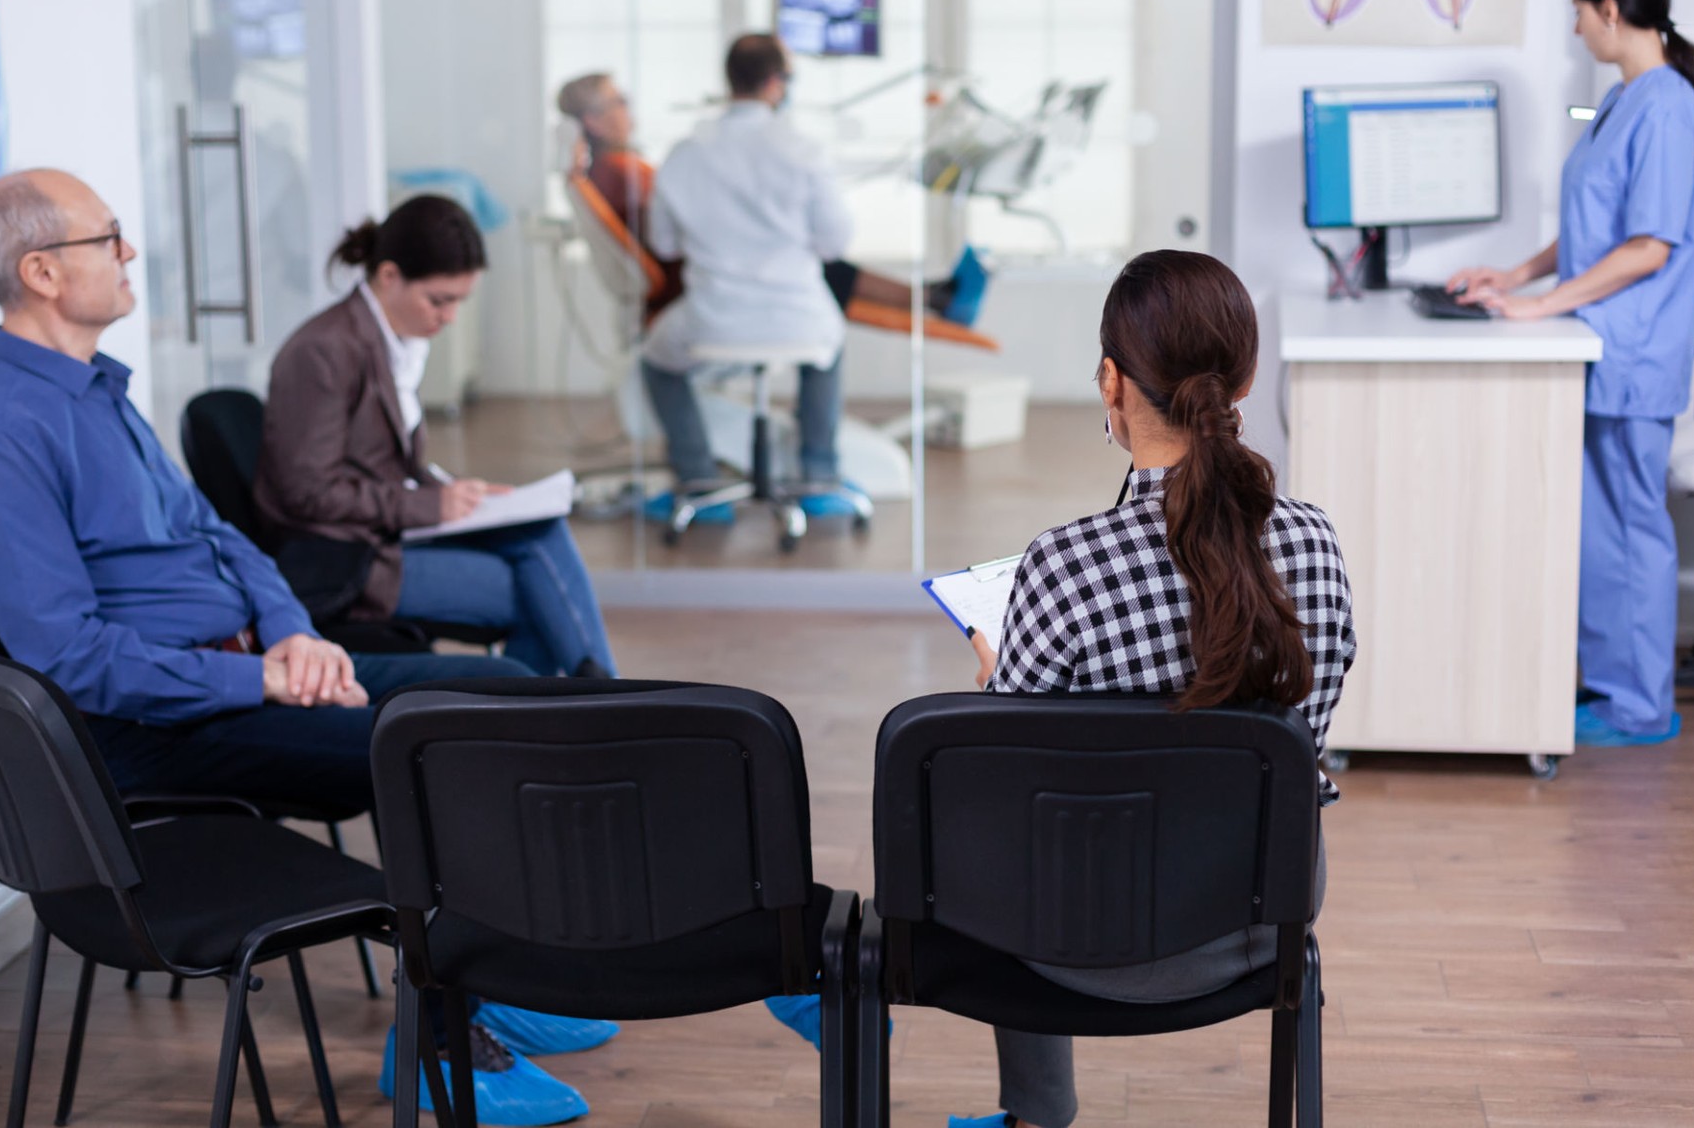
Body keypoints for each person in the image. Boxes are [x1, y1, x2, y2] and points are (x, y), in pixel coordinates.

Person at [0, 169, 608, 1126]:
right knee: (453, 745)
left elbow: (223, 535)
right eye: (107, 239)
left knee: (505, 691)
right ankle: (442, 1041)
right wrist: (261, 676)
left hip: (252, 674)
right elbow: (70, 658)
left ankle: (479, 976)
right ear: (40, 271)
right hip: (159, 725)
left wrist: (293, 632)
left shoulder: (100, 393)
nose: (127, 255)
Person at [955, 251, 1356, 1128]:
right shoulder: (1315, 544)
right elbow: (1306, 734)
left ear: (1111, 382)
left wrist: (997, 682)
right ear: (1245, 378)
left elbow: (1014, 773)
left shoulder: (1063, 566)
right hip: (1256, 921)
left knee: (997, 818)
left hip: (1068, 942)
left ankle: (1037, 1114)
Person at [1448, 0, 1694, 748]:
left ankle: (1640, 706)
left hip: (1633, 352)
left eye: (1577, 11)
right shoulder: (1623, 100)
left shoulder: (1666, 104)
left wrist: (1544, 307)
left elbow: (1648, 247)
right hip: (1604, 346)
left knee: (1630, 528)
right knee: (1601, 528)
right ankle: (1612, 689)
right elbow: (1592, 230)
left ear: (1609, 11)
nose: (1573, 29)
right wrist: (1518, 275)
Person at [255, 194, 617, 678]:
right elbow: (307, 493)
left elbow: (386, 465)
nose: (449, 317)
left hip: (387, 532)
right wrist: (430, 505)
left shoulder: (395, 343)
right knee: (538, 595)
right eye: (439, 300)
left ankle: (567, 716)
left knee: (540, 531)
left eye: (458, 302)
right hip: (344, 557)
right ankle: (586, 710)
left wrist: (456, 497)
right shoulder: (321, 352)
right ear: (389, 277)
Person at [556, 69, 990, 328]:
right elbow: (671, 234)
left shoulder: (611, 170)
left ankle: (934, 296)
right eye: (618, 101)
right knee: (814, 265)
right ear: (594, 120)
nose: (628, 107)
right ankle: (934, 299)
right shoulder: (623, 171)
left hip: (700, 272)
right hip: (699, 283)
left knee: (816, 266)